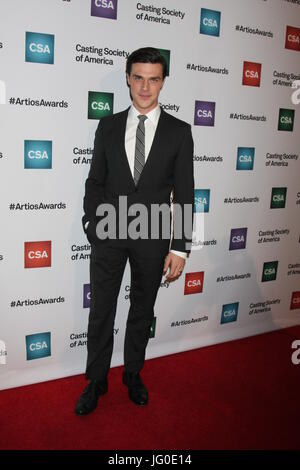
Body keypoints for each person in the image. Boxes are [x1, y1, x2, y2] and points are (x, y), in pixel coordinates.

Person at [75, 47, 194, 415]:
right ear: (128, 77)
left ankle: (132, 373)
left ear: (163, 82)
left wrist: (181, 247)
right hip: (109, 234)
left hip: (154, 236)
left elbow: (186, 192)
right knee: (102, 312)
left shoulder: (179, 132)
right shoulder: (107, 126)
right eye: (138, 77)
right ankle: (96, 380)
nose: (145, 87)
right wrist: (93, 224)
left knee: (142, 309)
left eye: (153, 79)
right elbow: (94, 182)